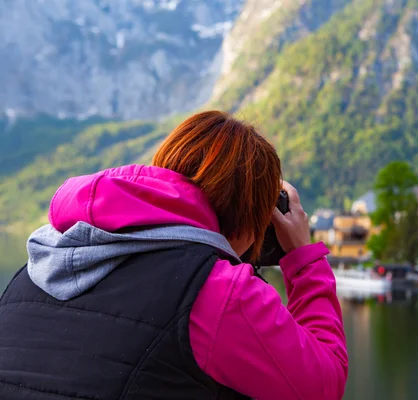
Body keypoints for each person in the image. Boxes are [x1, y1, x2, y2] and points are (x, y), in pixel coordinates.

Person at [0, 111, 348, 400]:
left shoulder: (34, 265)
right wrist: (304, 259)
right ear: (250, 217)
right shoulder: (217, 290)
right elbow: (323, 386)